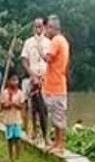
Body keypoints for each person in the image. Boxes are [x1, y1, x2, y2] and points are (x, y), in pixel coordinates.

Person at [41, 15, 70, 154]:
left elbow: (48, 58)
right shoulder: (63, 40)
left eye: (47, 28)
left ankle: (61, 145)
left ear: (52, 28)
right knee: (56, 116)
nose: (46, 31)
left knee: (58, 117)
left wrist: (41, 50)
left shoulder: (55, 41)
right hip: (57, 84)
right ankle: (57, 142)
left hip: (55, 85)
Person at [21, 17, 50, 143]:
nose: (38, 28)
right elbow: (24, 60)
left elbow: (51, 62)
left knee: (44, 108)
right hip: (33, 78)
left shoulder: (49, 43)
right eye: (36, 26)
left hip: (45, 78)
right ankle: (33, 130)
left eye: (40, 26)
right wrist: (32, 75)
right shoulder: (28, 42)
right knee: (33, 107)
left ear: (44, 27)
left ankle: (46, 135)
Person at [0, 72, 27, 162]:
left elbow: (21, 106)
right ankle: (10, 156)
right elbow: (3, 106)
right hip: (8, 120)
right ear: (8, 81)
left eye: (16, 80)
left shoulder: (20, 93)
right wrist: (9, 103)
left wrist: (15, 104)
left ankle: (17, 156)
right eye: (12, 80)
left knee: (17, 138)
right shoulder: (5, 93)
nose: (14, 82)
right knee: (10, 138)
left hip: (17, 119)